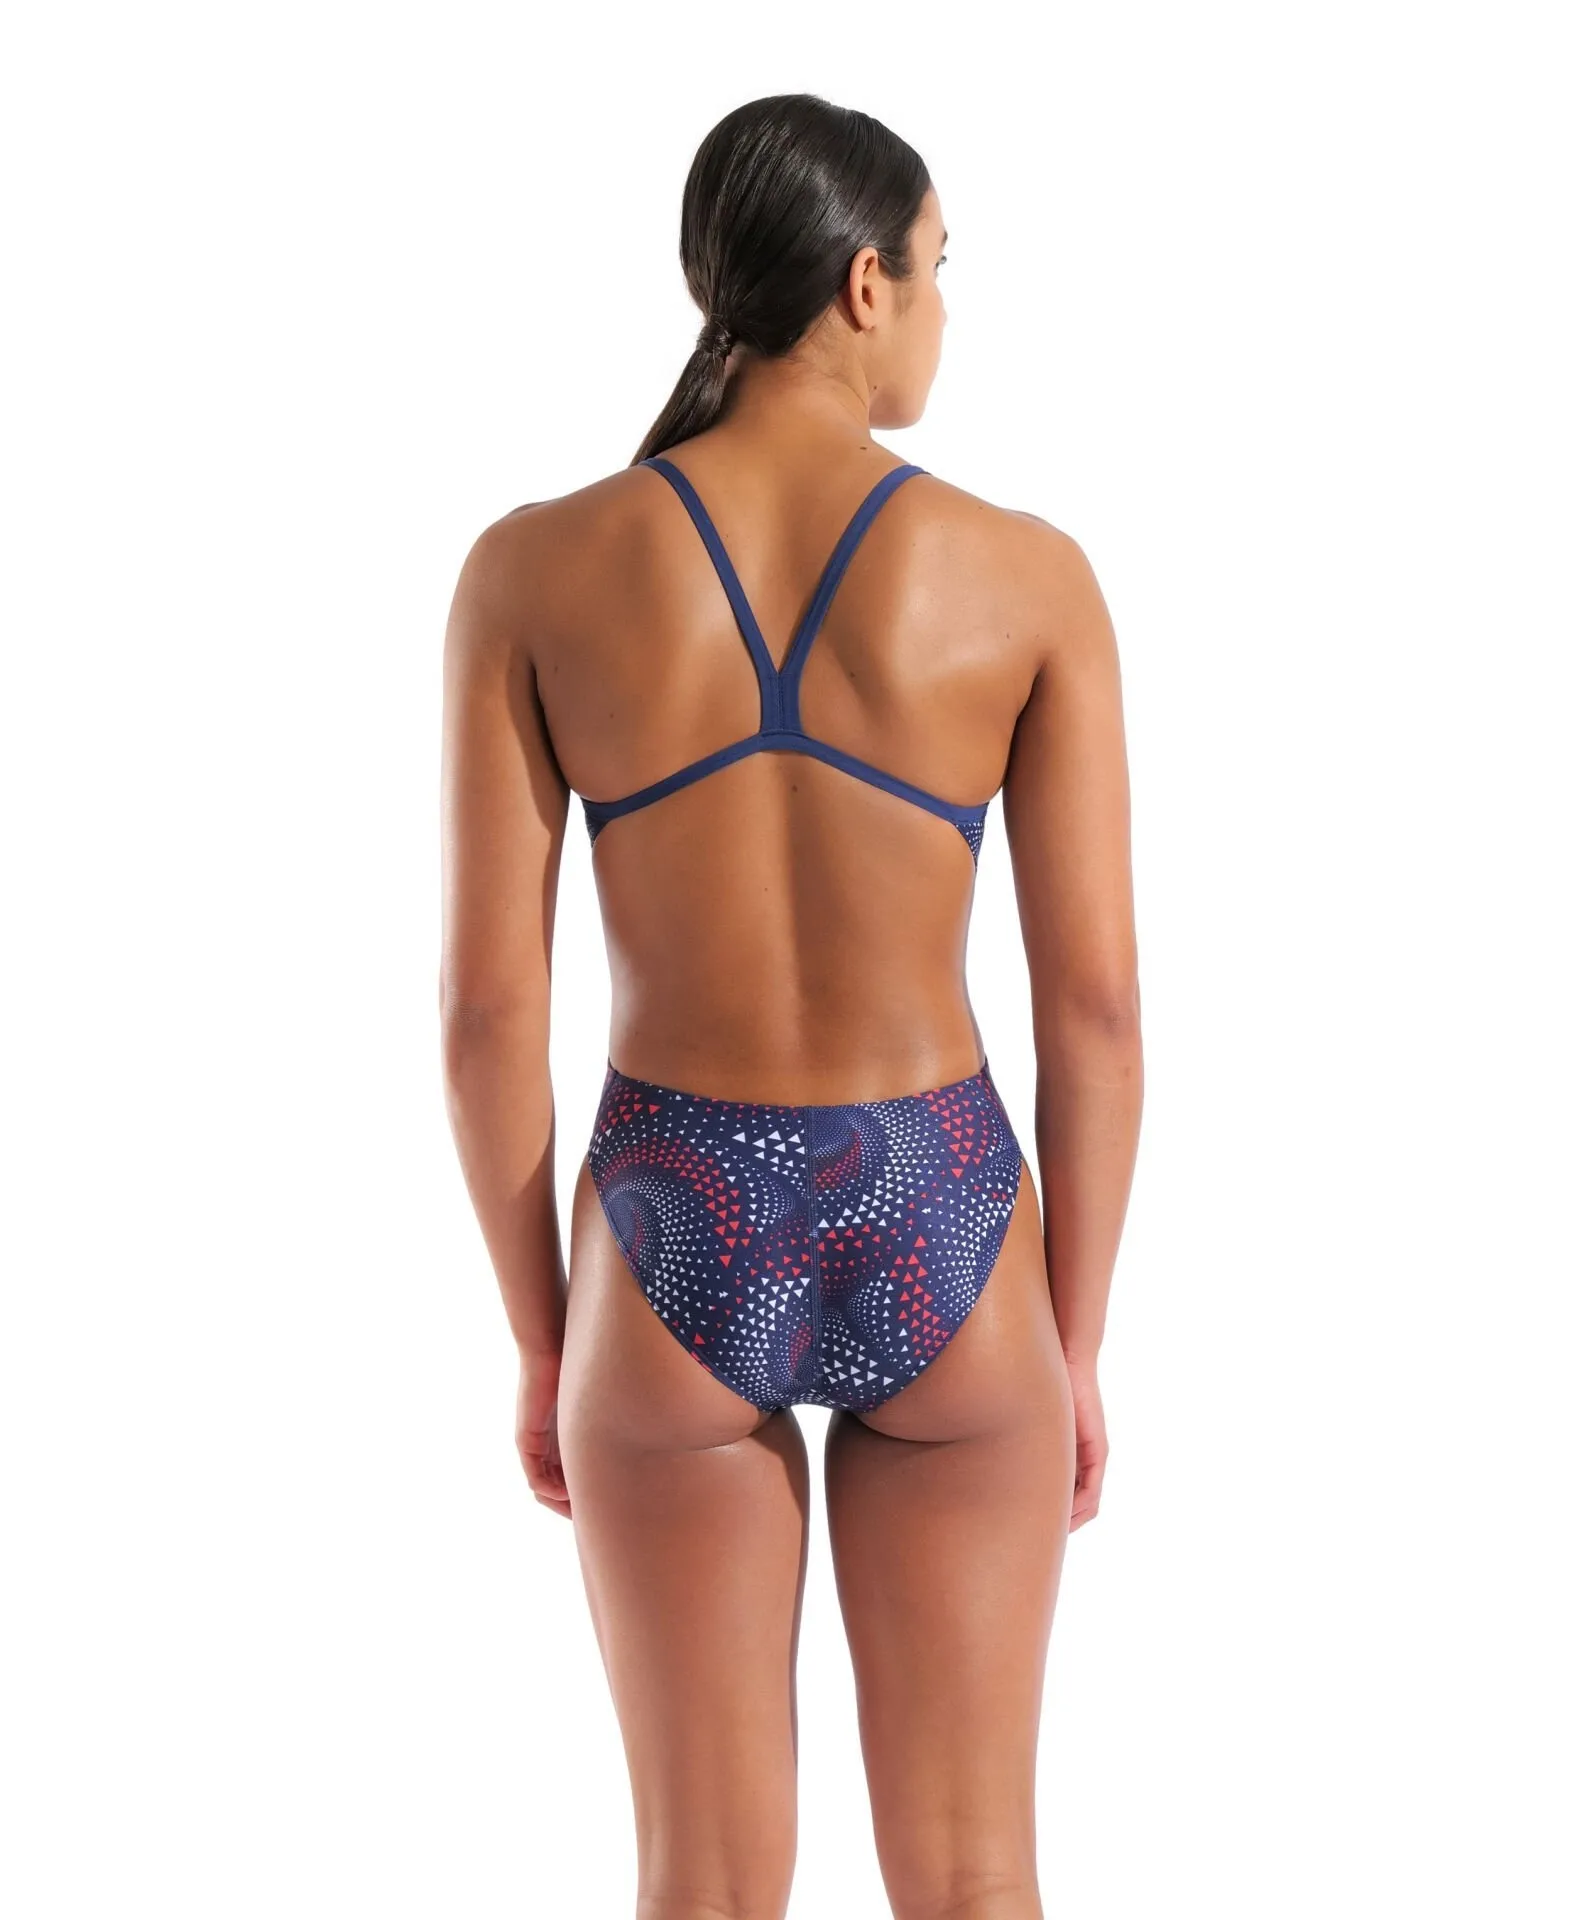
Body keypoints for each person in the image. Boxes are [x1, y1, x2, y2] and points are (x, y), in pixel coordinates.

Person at [440, 92, 1142, 1920]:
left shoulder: (531, 570)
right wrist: (1069, 1341)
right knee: (976, 1878)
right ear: (862, 284)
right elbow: (1092, 1010)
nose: (941, 312)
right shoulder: (1026, 577)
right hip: (942, 1210)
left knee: (701, 1883)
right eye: (940, 270)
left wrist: (546, 1336)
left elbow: (486, 1017)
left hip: (675, 1214)